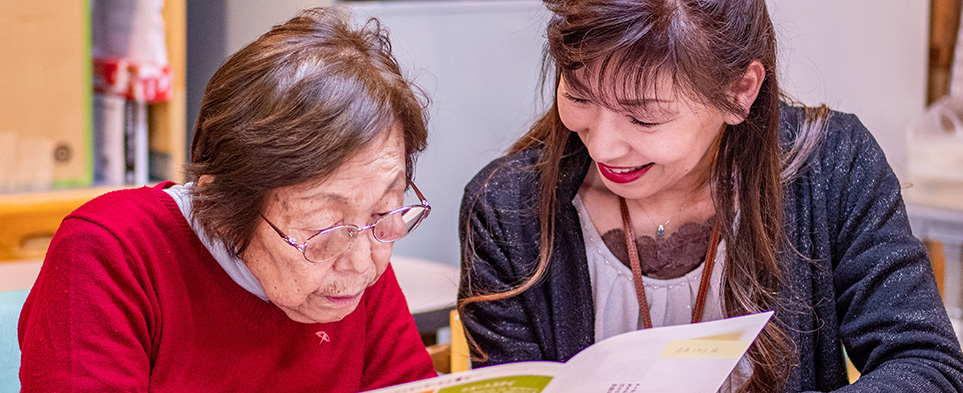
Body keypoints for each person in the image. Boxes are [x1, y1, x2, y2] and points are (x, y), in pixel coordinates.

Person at [458, 0, 963, 392]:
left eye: (644, 115)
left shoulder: (832, 166)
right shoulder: (508, 212)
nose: (604, 144)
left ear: (741, 92)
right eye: (579, 95)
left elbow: (926, 367)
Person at [19, 7, 437, 392]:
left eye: (384, 211)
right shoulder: (111, 254)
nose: (362, 264)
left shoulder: (356, 254)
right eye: (323, 228)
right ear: (221, 206)